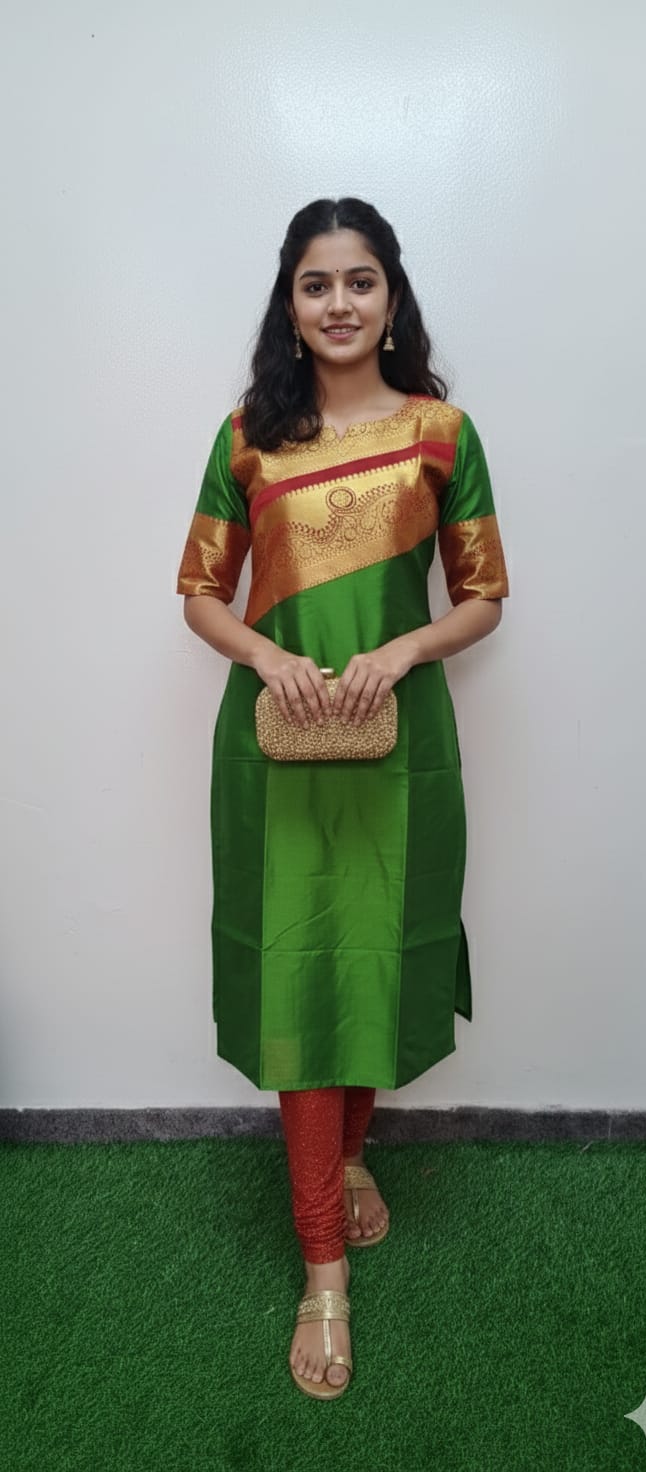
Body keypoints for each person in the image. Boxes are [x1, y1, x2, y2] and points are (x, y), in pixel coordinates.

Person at [176, 196, 510, 1400]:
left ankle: (351, 1151)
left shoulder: (440, 433)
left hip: (395, 746)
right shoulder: (246, 439)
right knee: (299, 973)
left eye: (358, 280)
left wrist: (404, 649)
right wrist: (264, 654)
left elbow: (482, 595)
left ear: (390, 296)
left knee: (372, 956)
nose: (337, 303)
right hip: (274, 749)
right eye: (314, 283)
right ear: (289, 302)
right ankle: (322, 1267)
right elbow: (198, 591)